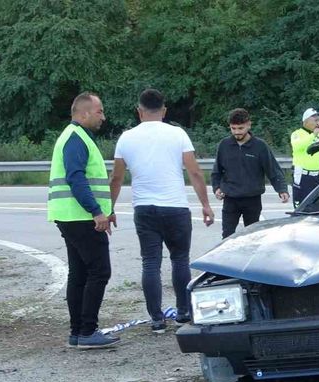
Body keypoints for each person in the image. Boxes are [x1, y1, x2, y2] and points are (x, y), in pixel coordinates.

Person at [110, 89, 214, 333]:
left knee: (150, 263)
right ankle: (183, 312)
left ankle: (157, 319)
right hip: (175, 206)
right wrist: (205, 205)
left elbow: (116, 178)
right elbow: (195, 172)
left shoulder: (126, 138)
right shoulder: (177, 134)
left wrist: (109, 208)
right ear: (164, 110)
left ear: (139, 110)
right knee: (180, 260)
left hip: (144, 208)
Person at [47, 92, 120, 349]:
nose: (103, 116)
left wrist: (105, 209)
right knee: (99, 271)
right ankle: (88, 330)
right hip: (81, 217)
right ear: (85, 113)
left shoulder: (75, 136)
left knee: (79, 273)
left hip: (71, 216)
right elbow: (76, 178)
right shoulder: (76, 138)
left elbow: (88, 181)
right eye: (99, 111)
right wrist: (96, 212)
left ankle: (78, 332)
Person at [212, 108, 289, 238]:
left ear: (249, 124)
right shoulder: (224, 145)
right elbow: (217, 170)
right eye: (233, 128)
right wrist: (216, 188)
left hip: (252, 199)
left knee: (252, 237)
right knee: (227, 236)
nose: (237, 132)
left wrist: (282, 189)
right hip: (230, 199)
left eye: (240, 128)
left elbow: (273, 170)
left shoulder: (260, 146)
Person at [291, 108, 319, 207]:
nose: (318, 123)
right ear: (306, 121)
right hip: (303, 175)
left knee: (315, 205)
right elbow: (298, 146)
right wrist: (313, 135)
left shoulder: (318, 136)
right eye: (315, 120)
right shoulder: (297, 134)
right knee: (302, 206)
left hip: (316, 176)